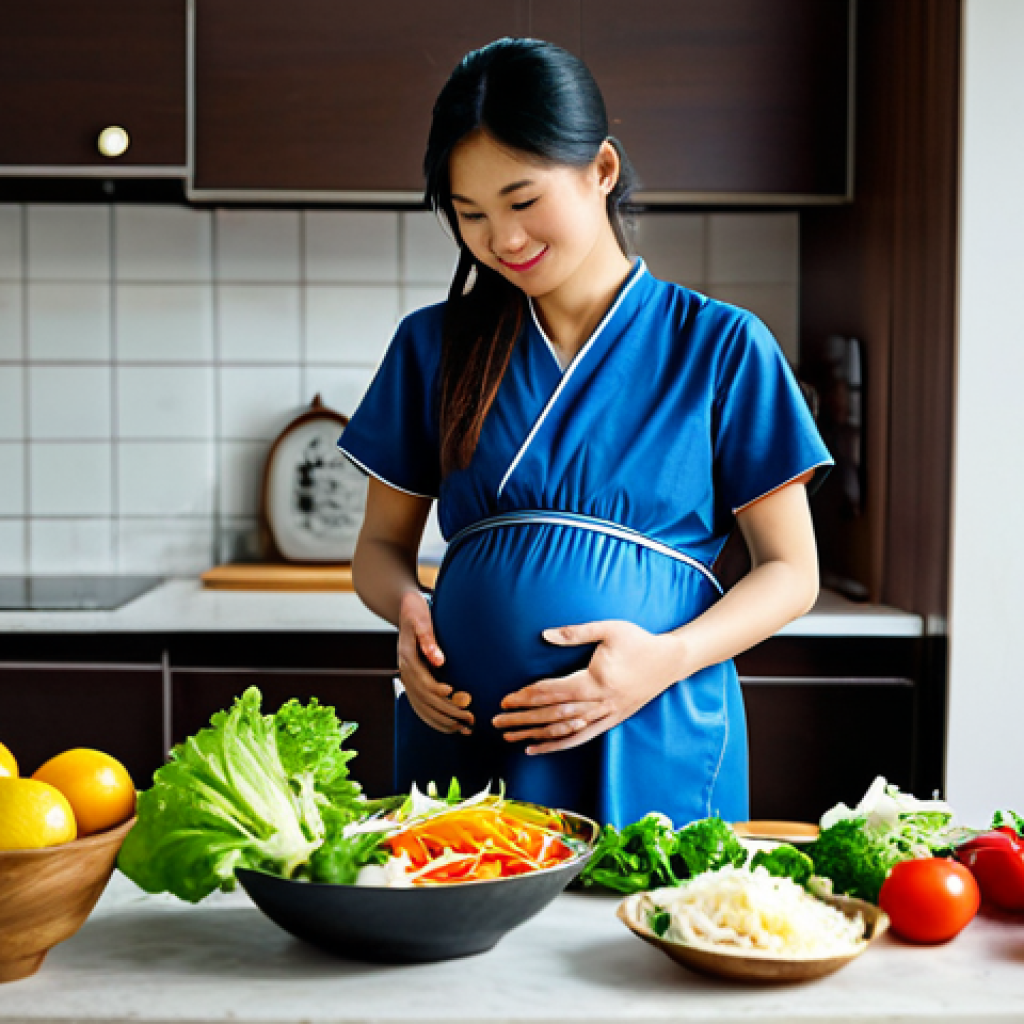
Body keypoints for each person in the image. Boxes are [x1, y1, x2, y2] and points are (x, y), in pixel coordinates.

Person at [338, 37, 833, 828]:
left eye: (522, 201)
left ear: (601, 170)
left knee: (640, 937)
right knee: (461, 938)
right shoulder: (433, 347)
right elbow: (379, 551)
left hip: (651, 725)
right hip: (468, 738)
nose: (501, 239)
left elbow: (791, 572)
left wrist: (661, 661)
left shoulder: (721, 345)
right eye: (470, 215)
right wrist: (406, 613)